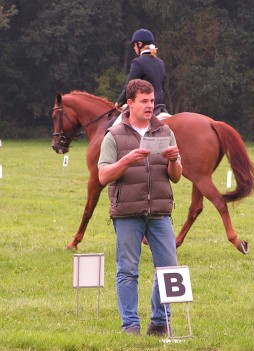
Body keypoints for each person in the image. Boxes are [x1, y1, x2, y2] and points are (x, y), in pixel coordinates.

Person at [98, 79, 182, 336]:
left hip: (159, 212)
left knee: (168, 269)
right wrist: (127, 160)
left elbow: (177, 176)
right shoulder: (114, 135)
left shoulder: (165, 132)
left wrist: (173, 161)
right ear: (130, 103)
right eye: (144, 101)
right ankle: (130, 326)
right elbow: (103, 176)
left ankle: (159, 322)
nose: (150, 106)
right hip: (127, 213)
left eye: (152, 101)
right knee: (128, 270)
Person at [116, 29, 167, 114]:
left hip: (145, 102)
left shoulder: (138, 62)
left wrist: (120, 101)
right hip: (161, 104)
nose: (134, 48)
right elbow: (162, 86)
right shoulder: (160, 62)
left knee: (118, 123)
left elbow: (129, 85)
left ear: (139, 44)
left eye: (134, 45)